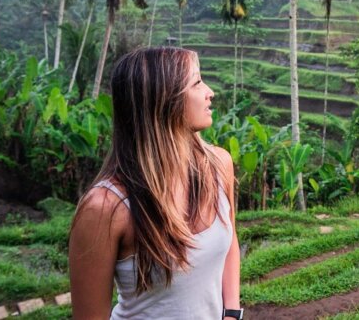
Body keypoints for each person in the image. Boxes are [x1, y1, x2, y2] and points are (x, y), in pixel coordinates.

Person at [69, 47, 242, 319]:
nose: (210, 92)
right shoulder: (105, 208)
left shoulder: (218, 165)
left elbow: (230, 240)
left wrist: (231, 312)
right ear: (163, 102)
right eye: (196, 83)